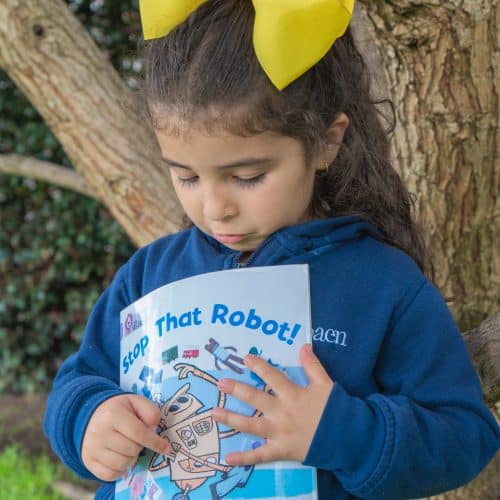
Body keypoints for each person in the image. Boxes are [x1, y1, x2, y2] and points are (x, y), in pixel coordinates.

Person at [44, 1, 499, 499]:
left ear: (326, 143)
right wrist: (88, 419)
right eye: (186, 176)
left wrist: (343, 433)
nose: (215, 209)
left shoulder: (383, 285)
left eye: (247, 176)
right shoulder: (149, 274)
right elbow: (81, 381)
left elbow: (464, 435)